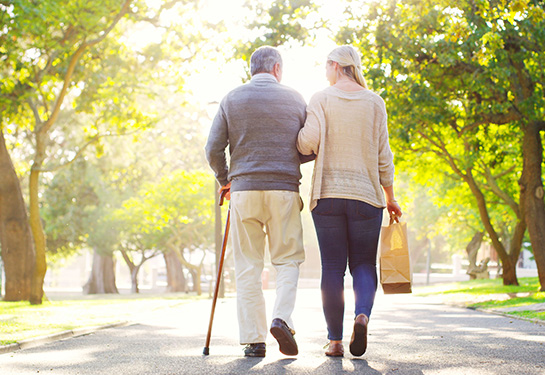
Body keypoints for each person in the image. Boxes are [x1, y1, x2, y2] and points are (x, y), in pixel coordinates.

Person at [296, 45, 403, 357]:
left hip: (328, 195)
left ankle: (335, 341)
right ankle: (362, 316)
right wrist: (391, 197)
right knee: (363, 264)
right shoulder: (374, 102)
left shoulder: (321, 98)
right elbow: (385, 155)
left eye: (325, 66)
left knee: (332, 266)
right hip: (367, 197)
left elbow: (307, 141)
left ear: (334, 65)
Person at [205, 46, 310, 358]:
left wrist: (225, 179)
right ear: (276, 68)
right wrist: (291, 158)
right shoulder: (295, 98)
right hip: (284, 190)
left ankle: (255, 340)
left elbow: (212, 148)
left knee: (248, 265)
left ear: (252, 69)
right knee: (288, 259)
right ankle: (282, 318)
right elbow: (309, 144)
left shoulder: (232, 98)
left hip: (244, 190)